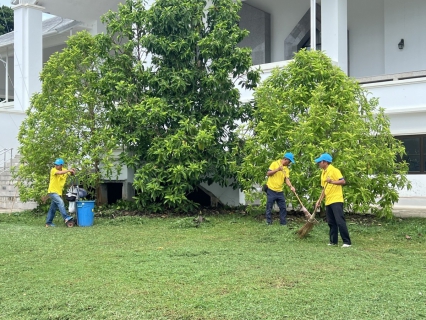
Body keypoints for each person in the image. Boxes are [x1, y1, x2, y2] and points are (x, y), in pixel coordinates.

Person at [314, 153, 352, 247]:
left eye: (320, 162)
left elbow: (343, 181)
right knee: (331, 222)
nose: (318, 163)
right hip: (328, 200)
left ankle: (347, 242)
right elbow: (324, 189)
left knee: (339, 220)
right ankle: (333, 241)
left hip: (336, 199)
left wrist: (332, 181)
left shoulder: (334, 170)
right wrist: (319, 200)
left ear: (325, 162)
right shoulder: (323, 173)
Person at [265, 152, 296, 225]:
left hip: (280, 191)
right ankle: (269, 222)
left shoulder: (286, 169)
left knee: (283, 208)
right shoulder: (275, 163)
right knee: (269, 207)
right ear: (285, 159)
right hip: (271, 189)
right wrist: (277, 169)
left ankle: (283, 223)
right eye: (289, 161)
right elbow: (268, 173)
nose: (290, 163)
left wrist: (291, 186)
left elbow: (286, 179)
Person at [45, 158, 76, 227]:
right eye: (55, 164)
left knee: (53, 208)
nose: (56, 166)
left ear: (61, 165)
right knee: (60, 202)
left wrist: (72, 171)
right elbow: (59, 173)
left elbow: (71, 174)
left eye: (57, 165)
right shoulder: (53, 170)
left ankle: (48, 223)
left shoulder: (64, 170)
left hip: (58, 192)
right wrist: (68, 170)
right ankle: (66, 217)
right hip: (52, 191)